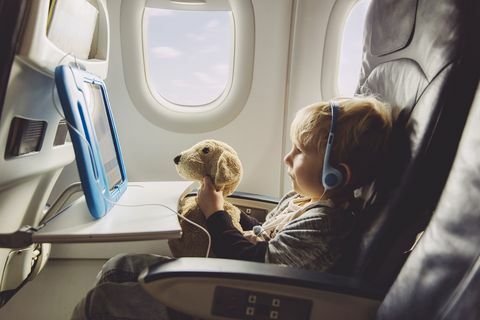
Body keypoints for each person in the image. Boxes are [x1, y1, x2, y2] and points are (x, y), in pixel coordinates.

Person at [71, 96, 393, 319]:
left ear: (335, 175)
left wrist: (215, 214)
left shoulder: (324, 225)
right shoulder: (304, 201)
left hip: (237, 301)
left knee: (98, 304)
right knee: (118, 265)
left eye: (299, 152)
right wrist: (230, 212)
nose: (287, 158)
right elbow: (263, 235)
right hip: (237, 280)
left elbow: (252, 264)